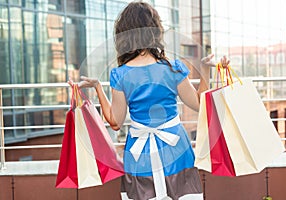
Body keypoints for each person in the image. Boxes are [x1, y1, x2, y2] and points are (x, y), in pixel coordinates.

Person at [69, 2, 229, 200]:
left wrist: (98, 88)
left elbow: (115, 123)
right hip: (176, 146)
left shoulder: (120, 74)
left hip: (138, 153)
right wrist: (205, 69)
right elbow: (199, 104)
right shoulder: (173, 68)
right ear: (155, 31)